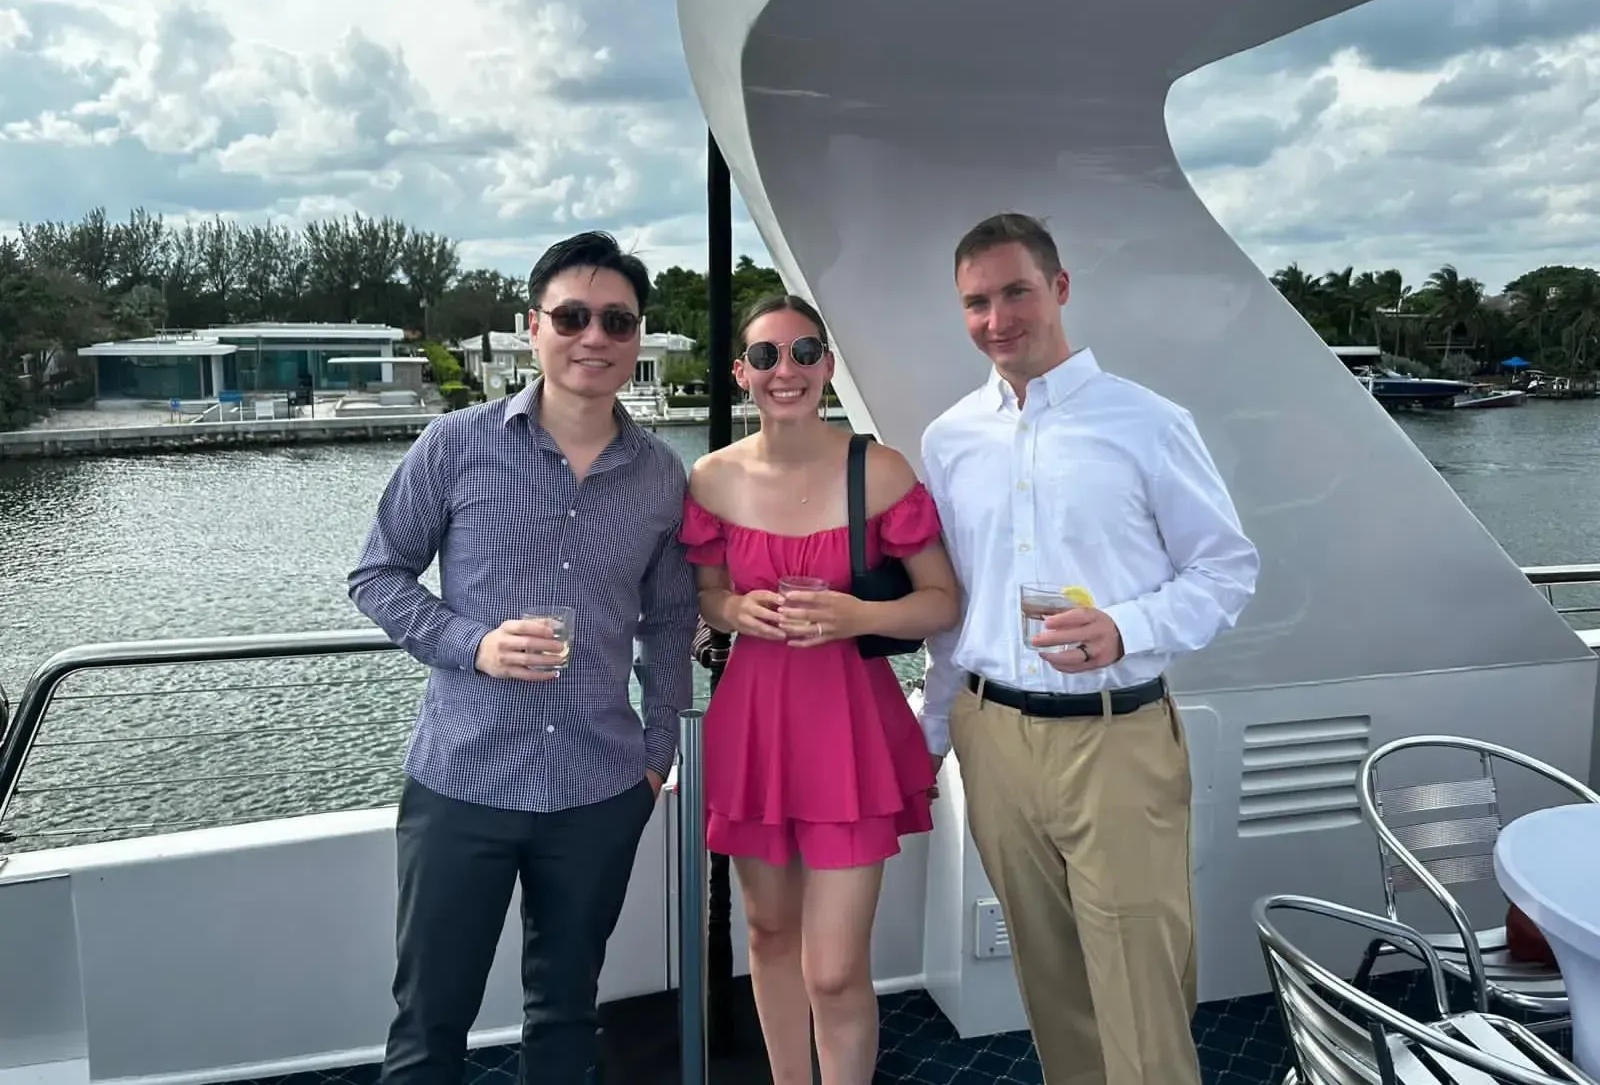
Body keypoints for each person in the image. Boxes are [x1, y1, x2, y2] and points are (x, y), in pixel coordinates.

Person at [348, 230, 699, 1085]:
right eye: (572, 317)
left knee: (568, 1011)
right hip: (462, 780)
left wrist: (658, 750)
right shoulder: (455, 444)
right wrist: (473, 644)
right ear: (533, 326)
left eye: (617, 321)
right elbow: (377, 575)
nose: (594, 337)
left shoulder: (662, 477)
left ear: (637, 337)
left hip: (598, 787)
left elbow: (669, 621)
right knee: (430, 1017)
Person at [919, 213, 1260, 1085]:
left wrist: (1125, 628)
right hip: (992, 736)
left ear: (1060, 288)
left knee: (1142, 981)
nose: (998, 319)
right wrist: (933, 734)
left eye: (1016, 292)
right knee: (1050, 979)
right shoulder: (950, 439)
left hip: (1117, 737)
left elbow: (1226, 569)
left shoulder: (1148, 423)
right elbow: (957, 607)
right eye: (977, 302)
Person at [681, 294, 960, 1085]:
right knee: (769, 934)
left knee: (835, 969)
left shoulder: (880, 471)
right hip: (754, 723)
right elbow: (708, 598)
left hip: (849, 726)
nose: (787, 370)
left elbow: (942, 603)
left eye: (804, 352)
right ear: (741, 374)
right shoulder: (710, 479)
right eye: (765, 356)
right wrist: (734, 610)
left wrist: (858, 615)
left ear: (828, 366)